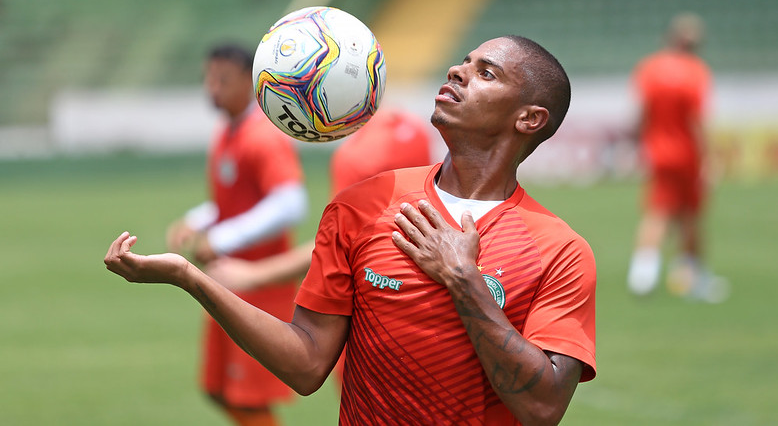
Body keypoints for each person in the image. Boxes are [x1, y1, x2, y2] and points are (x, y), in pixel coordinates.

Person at [106, 35, 597, 425]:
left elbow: (542, 409)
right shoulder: (361, 206)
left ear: (529, 118)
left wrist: (464, 281)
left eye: (485, 72)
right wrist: (190, 277)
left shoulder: (560, 251)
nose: (457, 71)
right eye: (464, 62)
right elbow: (306, 364)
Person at [165, 43, 308, 426]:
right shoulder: (228, 130)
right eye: (208, 79)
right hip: (227, 284)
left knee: (246, 399)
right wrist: (199, 219)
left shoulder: (263, 136)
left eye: (223, 79)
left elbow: (290, 203)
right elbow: (239, 199)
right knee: (217, 390)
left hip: (260, 288)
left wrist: (225, 237)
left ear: (250, 81)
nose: (212, 87)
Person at [204, 107, 434, 292]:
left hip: (379, 293)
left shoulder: (357, 156)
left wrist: (254, 275)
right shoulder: (409, 125)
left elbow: (337, 245)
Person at [626, 13, 729, 302]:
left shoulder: (649, 68)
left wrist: (636, 143)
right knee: (690, 217)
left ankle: (643, 274)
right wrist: (709, 158)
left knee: (658, 210)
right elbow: (698, 120)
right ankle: (691, 275)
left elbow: (641, 113)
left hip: (658, 152)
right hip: (687, 155)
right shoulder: (696, 72)